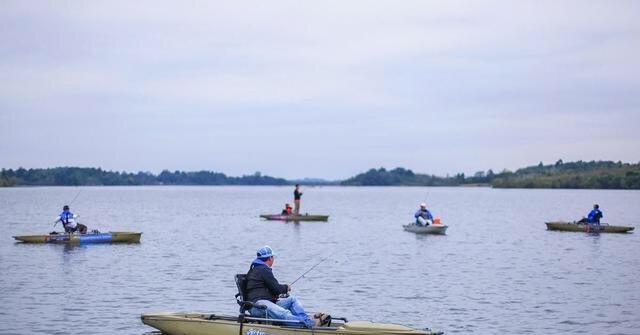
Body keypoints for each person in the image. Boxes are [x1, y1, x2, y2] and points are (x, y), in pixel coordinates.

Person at [245, 246, 329, 328]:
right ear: (270, 258)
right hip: (259, 306)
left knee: (292, 300)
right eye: (273, 257)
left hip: (265, 302)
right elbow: (277, 289)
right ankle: (310, 324)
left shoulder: (255, 268)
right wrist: (286, 287)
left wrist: (277, 294)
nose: (273, 259)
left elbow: (270, 289)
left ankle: (305, 319)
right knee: (284, 313)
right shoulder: (264, 269)